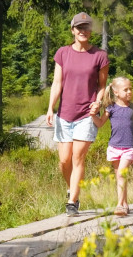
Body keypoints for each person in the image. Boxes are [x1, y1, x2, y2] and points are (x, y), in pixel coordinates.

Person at [46, 12, 109, 216]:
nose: (83, 31)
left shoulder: (100, 55)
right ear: (73, 30)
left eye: (87, 27)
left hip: (86, 115)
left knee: (77, 158)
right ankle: (71, 188)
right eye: (79, 27)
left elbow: (102, 85)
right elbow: (57, 83)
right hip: (64, 114)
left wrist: (97, 103)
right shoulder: (63, 53)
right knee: (64, 160)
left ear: (91, 31)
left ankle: (72, 202)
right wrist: (50, 108)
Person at [90, 77, 133, 216]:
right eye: (125, 89)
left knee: (121, 174)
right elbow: (100, 123)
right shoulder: (111, 107)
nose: (129, 92)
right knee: (120, 177)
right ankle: (125, 204)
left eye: (130, 89)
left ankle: (119, 205)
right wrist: (92, 115)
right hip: (114, 146)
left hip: (129, 146)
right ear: (116, 91)